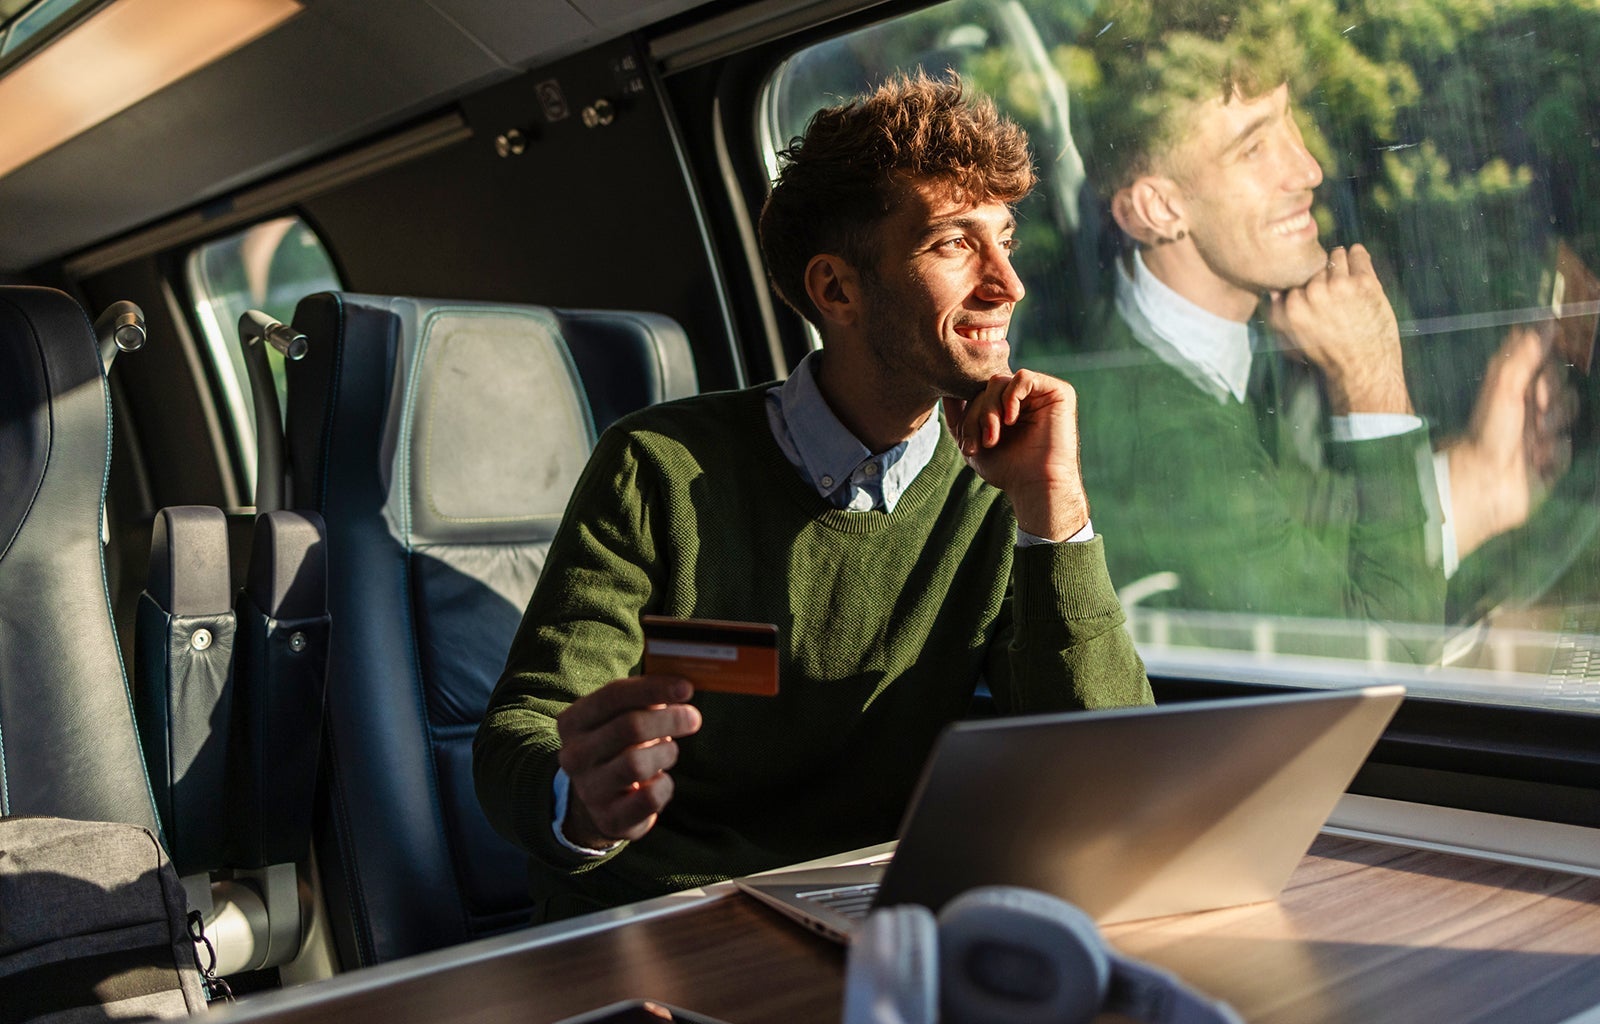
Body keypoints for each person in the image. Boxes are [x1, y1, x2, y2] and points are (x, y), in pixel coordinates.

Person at [474, 73, 1152, 921]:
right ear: (837, 291)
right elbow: (522, 733)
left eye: (1004, 238)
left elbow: (1102, 779)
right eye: (953, 244)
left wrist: (1055, 511)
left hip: (886, 916)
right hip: (670, 919)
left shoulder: (1000, 483)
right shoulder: (657, 467)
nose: (1007, 283)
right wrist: (582, 799)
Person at [1045, 1, 1570, 646]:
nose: (1308, 169)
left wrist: (1483, 475)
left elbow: (1303, 536)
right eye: (1255, 146)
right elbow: (1385, 652)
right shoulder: (1167, 451)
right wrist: (1372, 385)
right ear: (1157, 208)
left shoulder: (1211, 347)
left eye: (1290, 120)